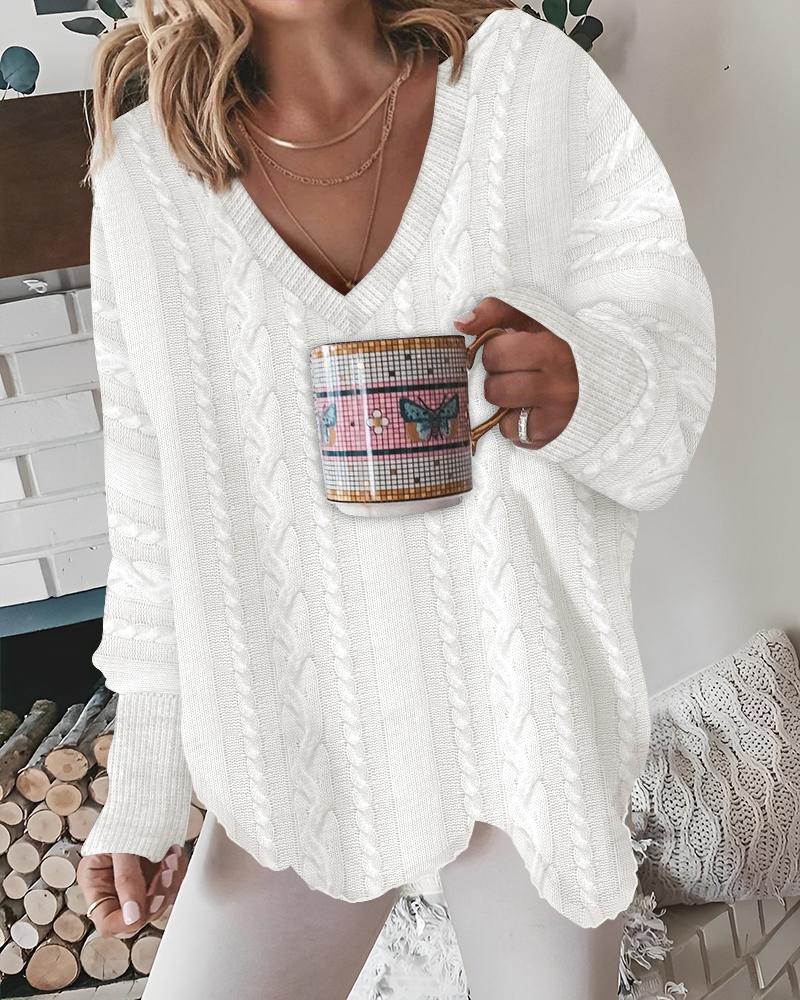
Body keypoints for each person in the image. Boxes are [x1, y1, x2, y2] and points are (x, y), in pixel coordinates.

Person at [75, 1, 716, 997]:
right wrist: (146, 789)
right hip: (295, 742)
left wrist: (583, 383)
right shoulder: (147, 180)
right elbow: (153, 519)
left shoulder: (524, 86)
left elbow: (667, 363)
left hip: (521, 716)